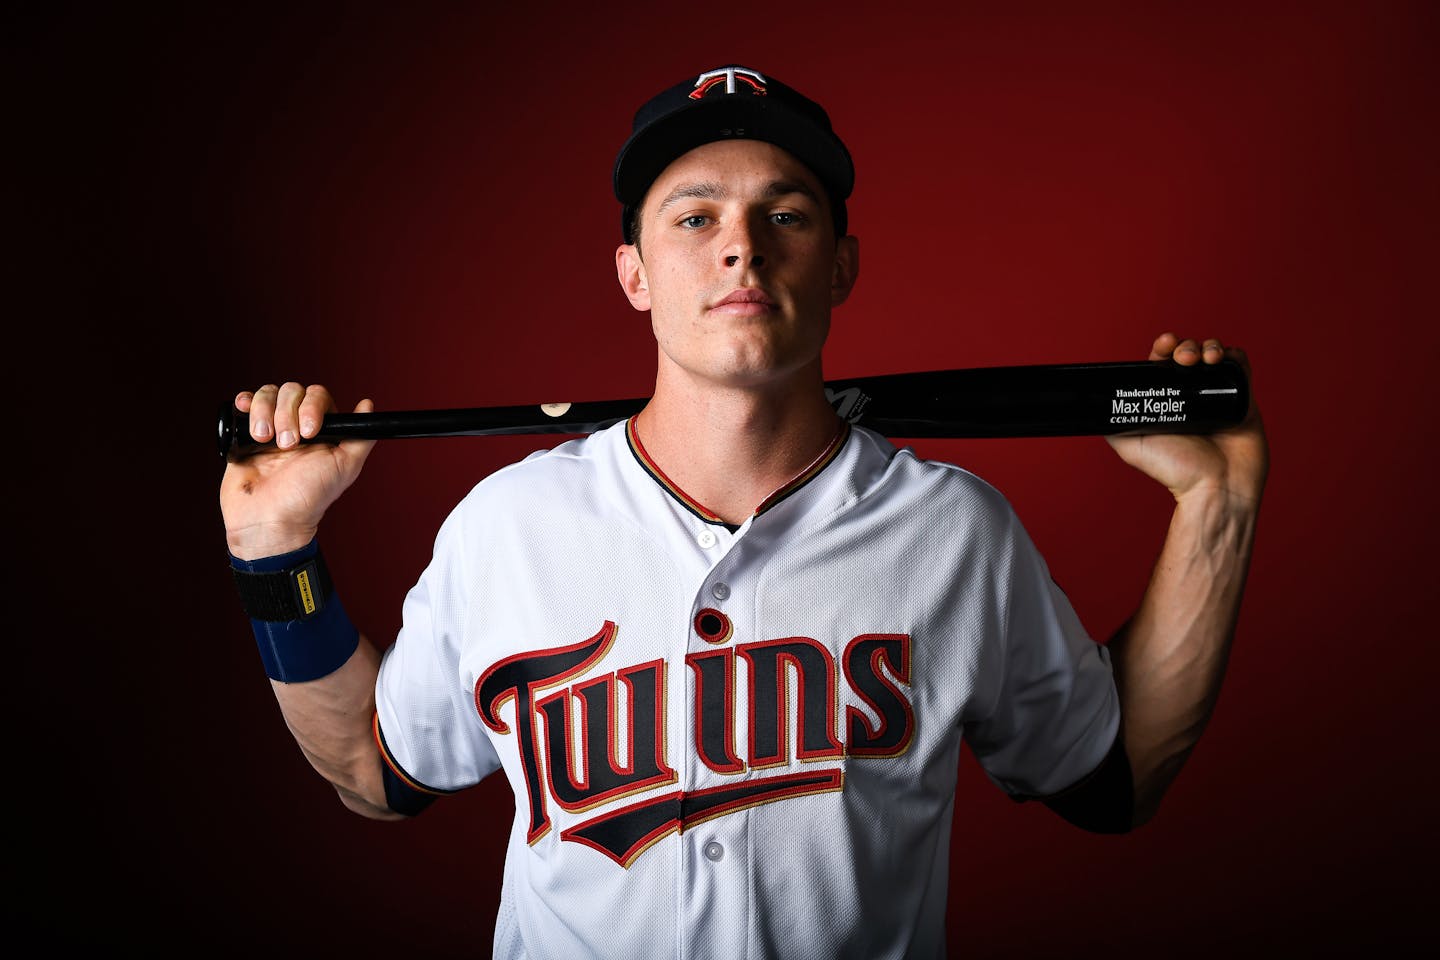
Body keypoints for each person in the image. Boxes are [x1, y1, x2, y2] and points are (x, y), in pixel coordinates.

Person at [221, 65, 1268, 959]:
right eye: (695, 215)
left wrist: (1215, 499)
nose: (743, 247)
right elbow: (374, 771)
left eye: (786, 214)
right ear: (633, 273)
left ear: (841, 266)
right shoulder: (508, 524)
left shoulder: (956, 532)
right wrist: (276, 552)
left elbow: (1115, 774)